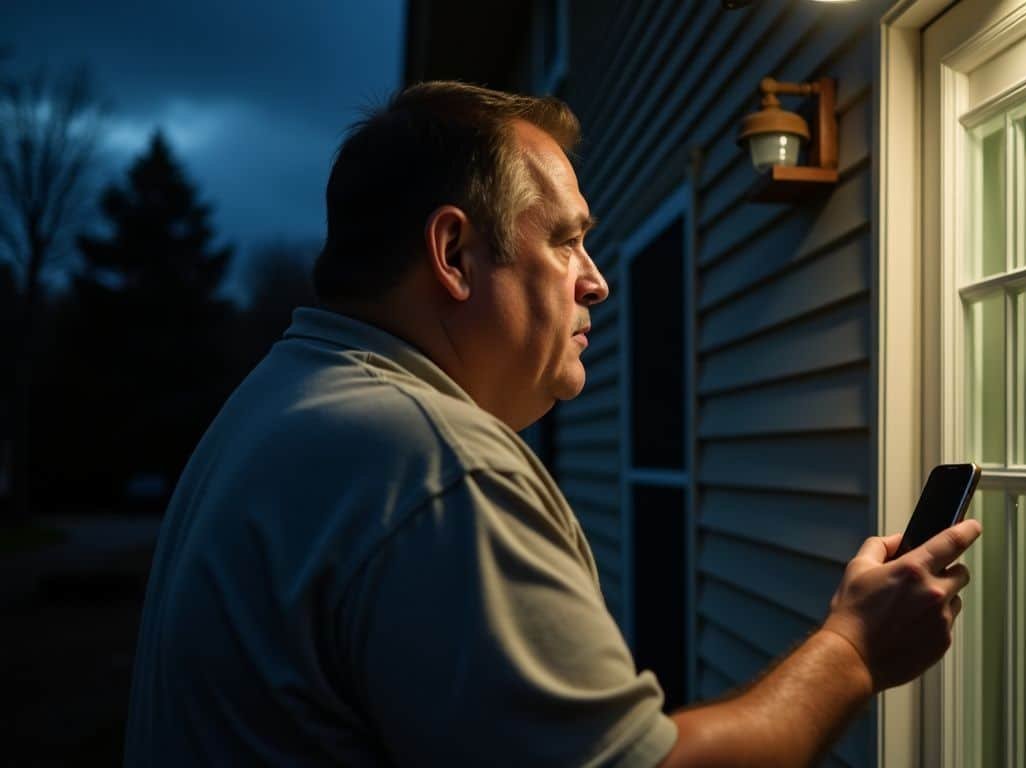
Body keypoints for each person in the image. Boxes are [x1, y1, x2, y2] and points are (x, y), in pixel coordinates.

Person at [124, 81, 980, 767]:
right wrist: (855, 648)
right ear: (455, 255)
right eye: (565, 241)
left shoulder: (281, 400)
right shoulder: (431, 463)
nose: (596, 281)